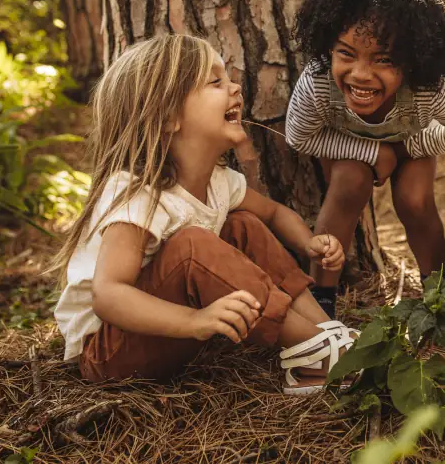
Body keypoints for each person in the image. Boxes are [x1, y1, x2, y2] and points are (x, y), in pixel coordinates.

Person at [52, 34, 355, 395]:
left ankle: (323, 333)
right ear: (167, 116)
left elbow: (273, 213)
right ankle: (316, 352)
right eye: (215, 82)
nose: (235, 88)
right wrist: (195, 321)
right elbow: (109, 295)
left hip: (167, 332)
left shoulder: (220, 182)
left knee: (243, 225)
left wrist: (309, 243)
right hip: (111, 351)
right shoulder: (137, 193)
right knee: (193, 245)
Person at [285, 0, 445, 318]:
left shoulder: (427, 88)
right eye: (346, 53)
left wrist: (411, 145)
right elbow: (299, 137)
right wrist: (371, 153)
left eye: (383, 60)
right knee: (349, 183)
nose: (361, 74)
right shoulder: (317, 83)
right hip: (348, 149)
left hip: (410, 144)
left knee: (414, 200)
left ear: (413, 61)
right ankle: (321, 303)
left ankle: (439, 297)